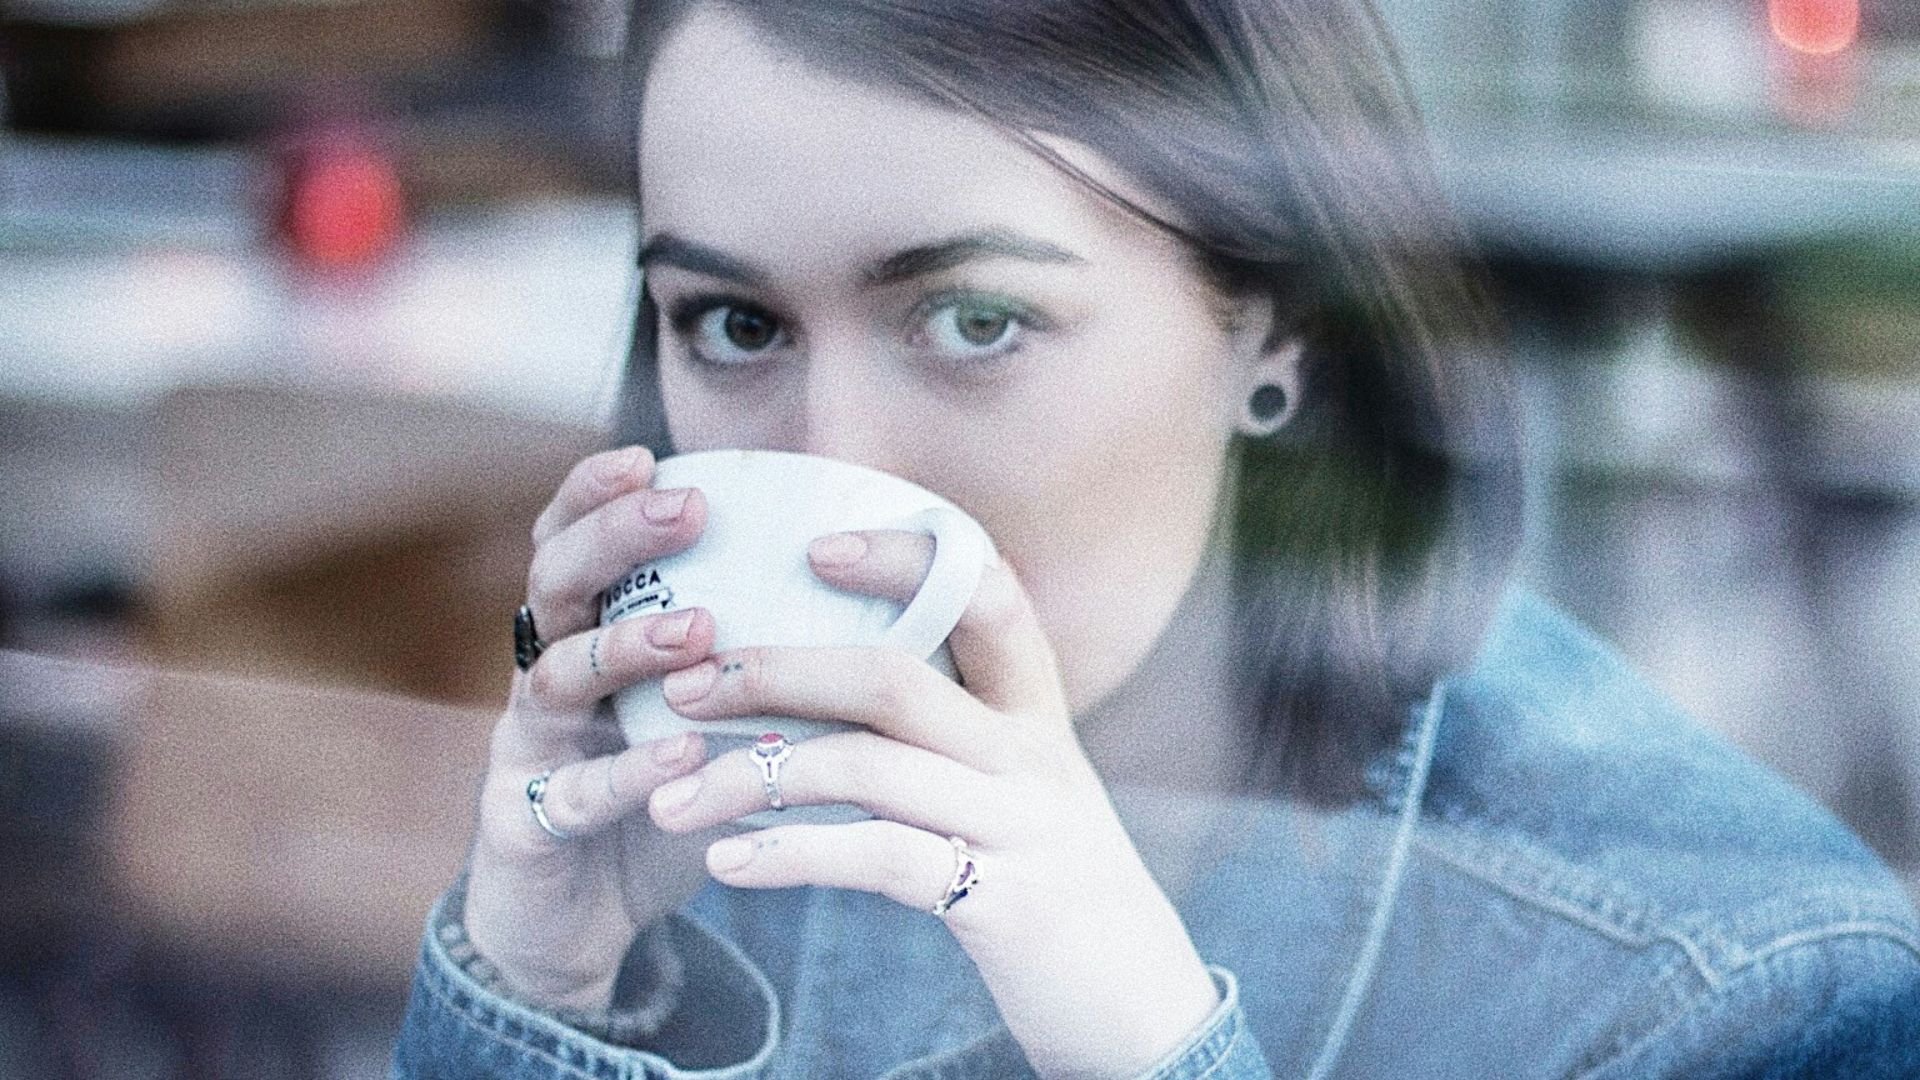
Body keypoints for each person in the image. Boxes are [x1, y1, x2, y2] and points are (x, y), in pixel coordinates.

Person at [390, 1, 1920, 1076]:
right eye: (732, 323)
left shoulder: (1733, 998)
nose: (835, 461)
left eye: (976, 320)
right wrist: (542, 996)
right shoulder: (710, 841)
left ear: (1279, 331)